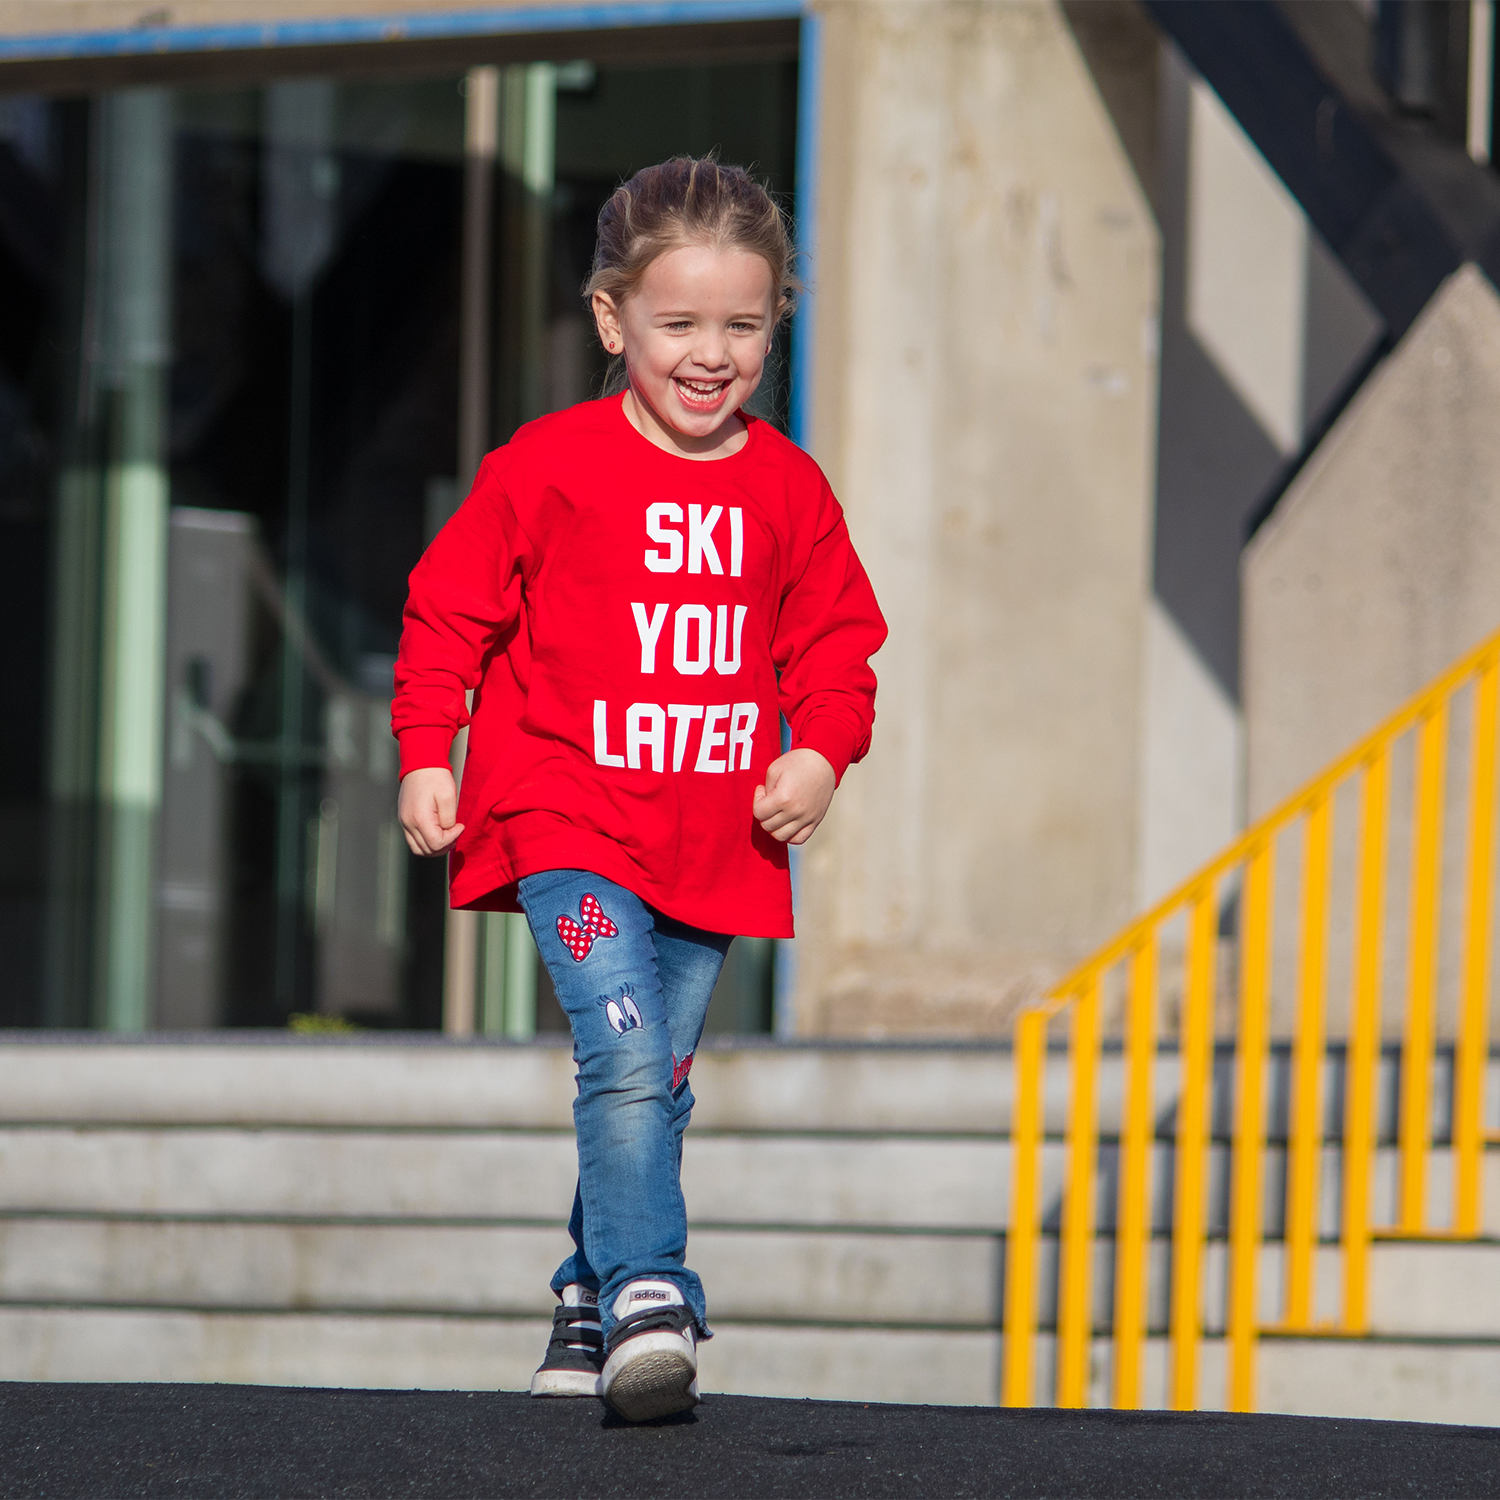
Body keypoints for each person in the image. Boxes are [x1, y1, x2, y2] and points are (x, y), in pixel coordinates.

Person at [392, 157, 887, 1422]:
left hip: (713, 836)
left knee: (654, 1076)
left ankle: (583, 1289)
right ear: (614, 323)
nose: (711, 354)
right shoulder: (546, 467)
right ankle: (652, 1291)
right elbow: (448, 612)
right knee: (620, 1053)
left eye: (744, 324)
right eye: (679, 324)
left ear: (778, 321)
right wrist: (426, 751)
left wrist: (821, 751)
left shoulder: (788, 488)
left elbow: (836, 643)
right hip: (563, 812)